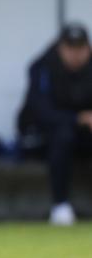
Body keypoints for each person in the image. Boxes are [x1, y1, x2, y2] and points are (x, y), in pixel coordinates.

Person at [18, 23, 92, 226]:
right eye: (71, 48)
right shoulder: (42, 68)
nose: (76, 54)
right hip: (44, 138)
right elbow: (41, 112)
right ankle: (60, 206)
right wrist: (78, 119)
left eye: (81, 48)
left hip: (83, 137)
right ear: (61, 48)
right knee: (63, 134)